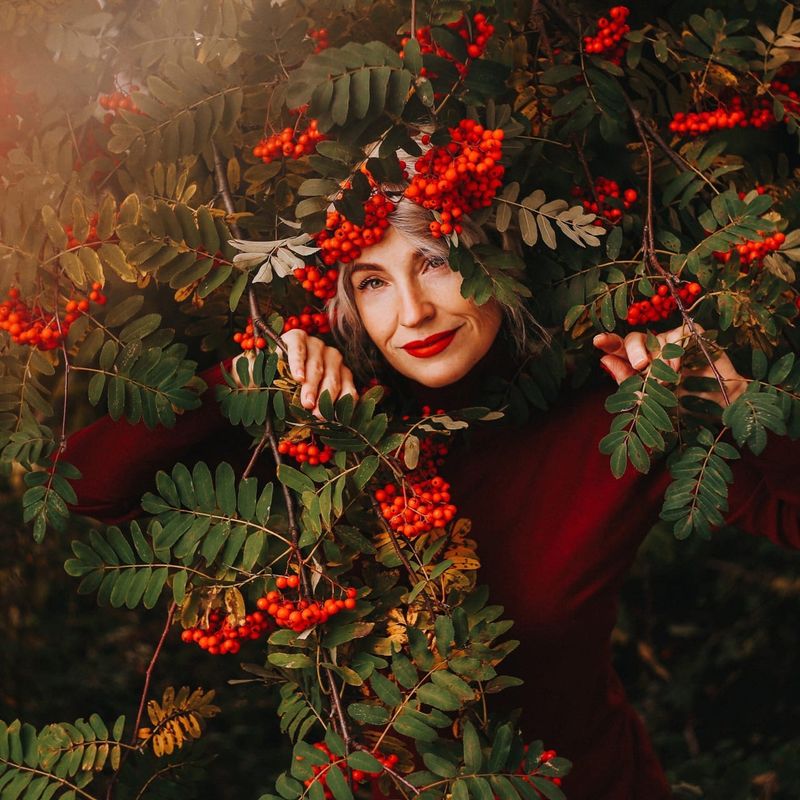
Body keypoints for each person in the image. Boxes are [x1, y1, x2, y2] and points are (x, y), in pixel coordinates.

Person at [65, 198, 800, 800]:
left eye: (436, 262)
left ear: (496, 263)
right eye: (372, 280)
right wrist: (245, 378)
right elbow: (86, 490)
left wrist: (737, 403)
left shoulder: (614, 414)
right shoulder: (317, 438)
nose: (412, 311)